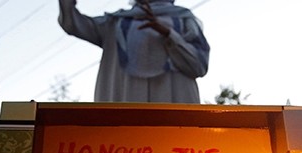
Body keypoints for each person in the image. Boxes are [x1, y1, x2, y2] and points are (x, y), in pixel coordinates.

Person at [58, 0, 210, 103]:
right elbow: (72, 23)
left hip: (172, 107)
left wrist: (169, 34)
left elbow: (199, 65)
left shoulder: (183, 20)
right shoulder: (116, 22)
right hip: (126, 107)